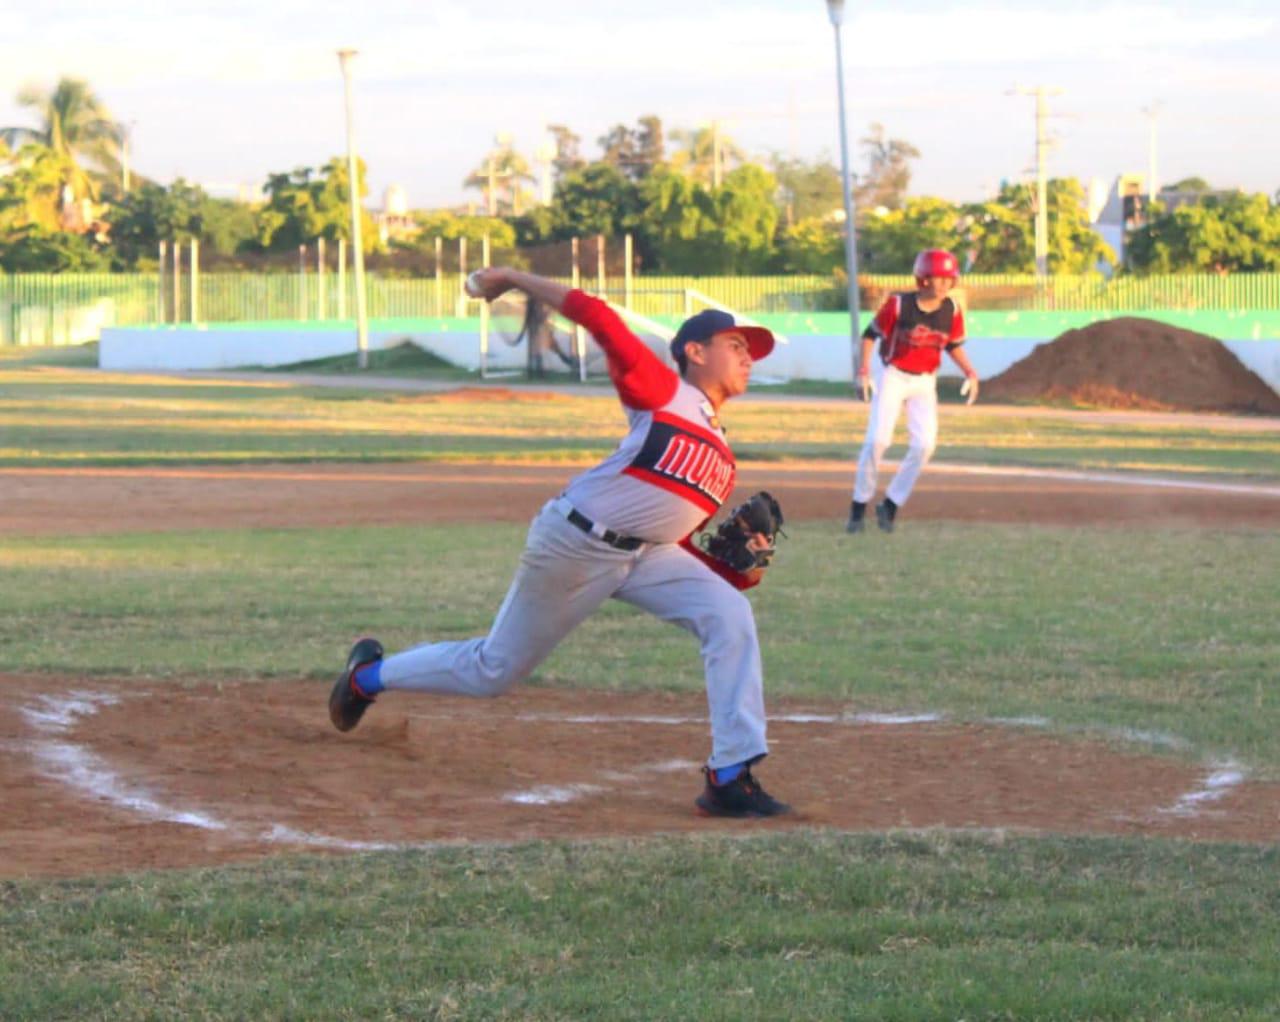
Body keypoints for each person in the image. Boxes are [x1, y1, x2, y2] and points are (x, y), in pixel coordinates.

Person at [329, 267, 792, 819]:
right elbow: (596, 315)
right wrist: (511, 277)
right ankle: (365, 677)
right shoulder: (664, 393)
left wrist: (743, 569)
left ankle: (730, 774)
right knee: (492, 671)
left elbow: (677, 541)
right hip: (575, 544)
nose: (748, 356)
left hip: (642, 554)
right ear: (695, 351)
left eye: (751, 350)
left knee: (728, 612)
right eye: (735, 344)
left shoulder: (720, 452)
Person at [846, 248, 980, 534]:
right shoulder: (898, 305)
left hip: (924, 381)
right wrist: (863, 371)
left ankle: (891, 504)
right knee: (878, 441)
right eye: (937, 278)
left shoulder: (952, 310)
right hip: (893, 374)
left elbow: (952, 345)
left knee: (924, 445)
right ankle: (859, 507)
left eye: (948, 279)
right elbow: (870, 336)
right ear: (922, 279)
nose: (943, 284)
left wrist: (970, 372)